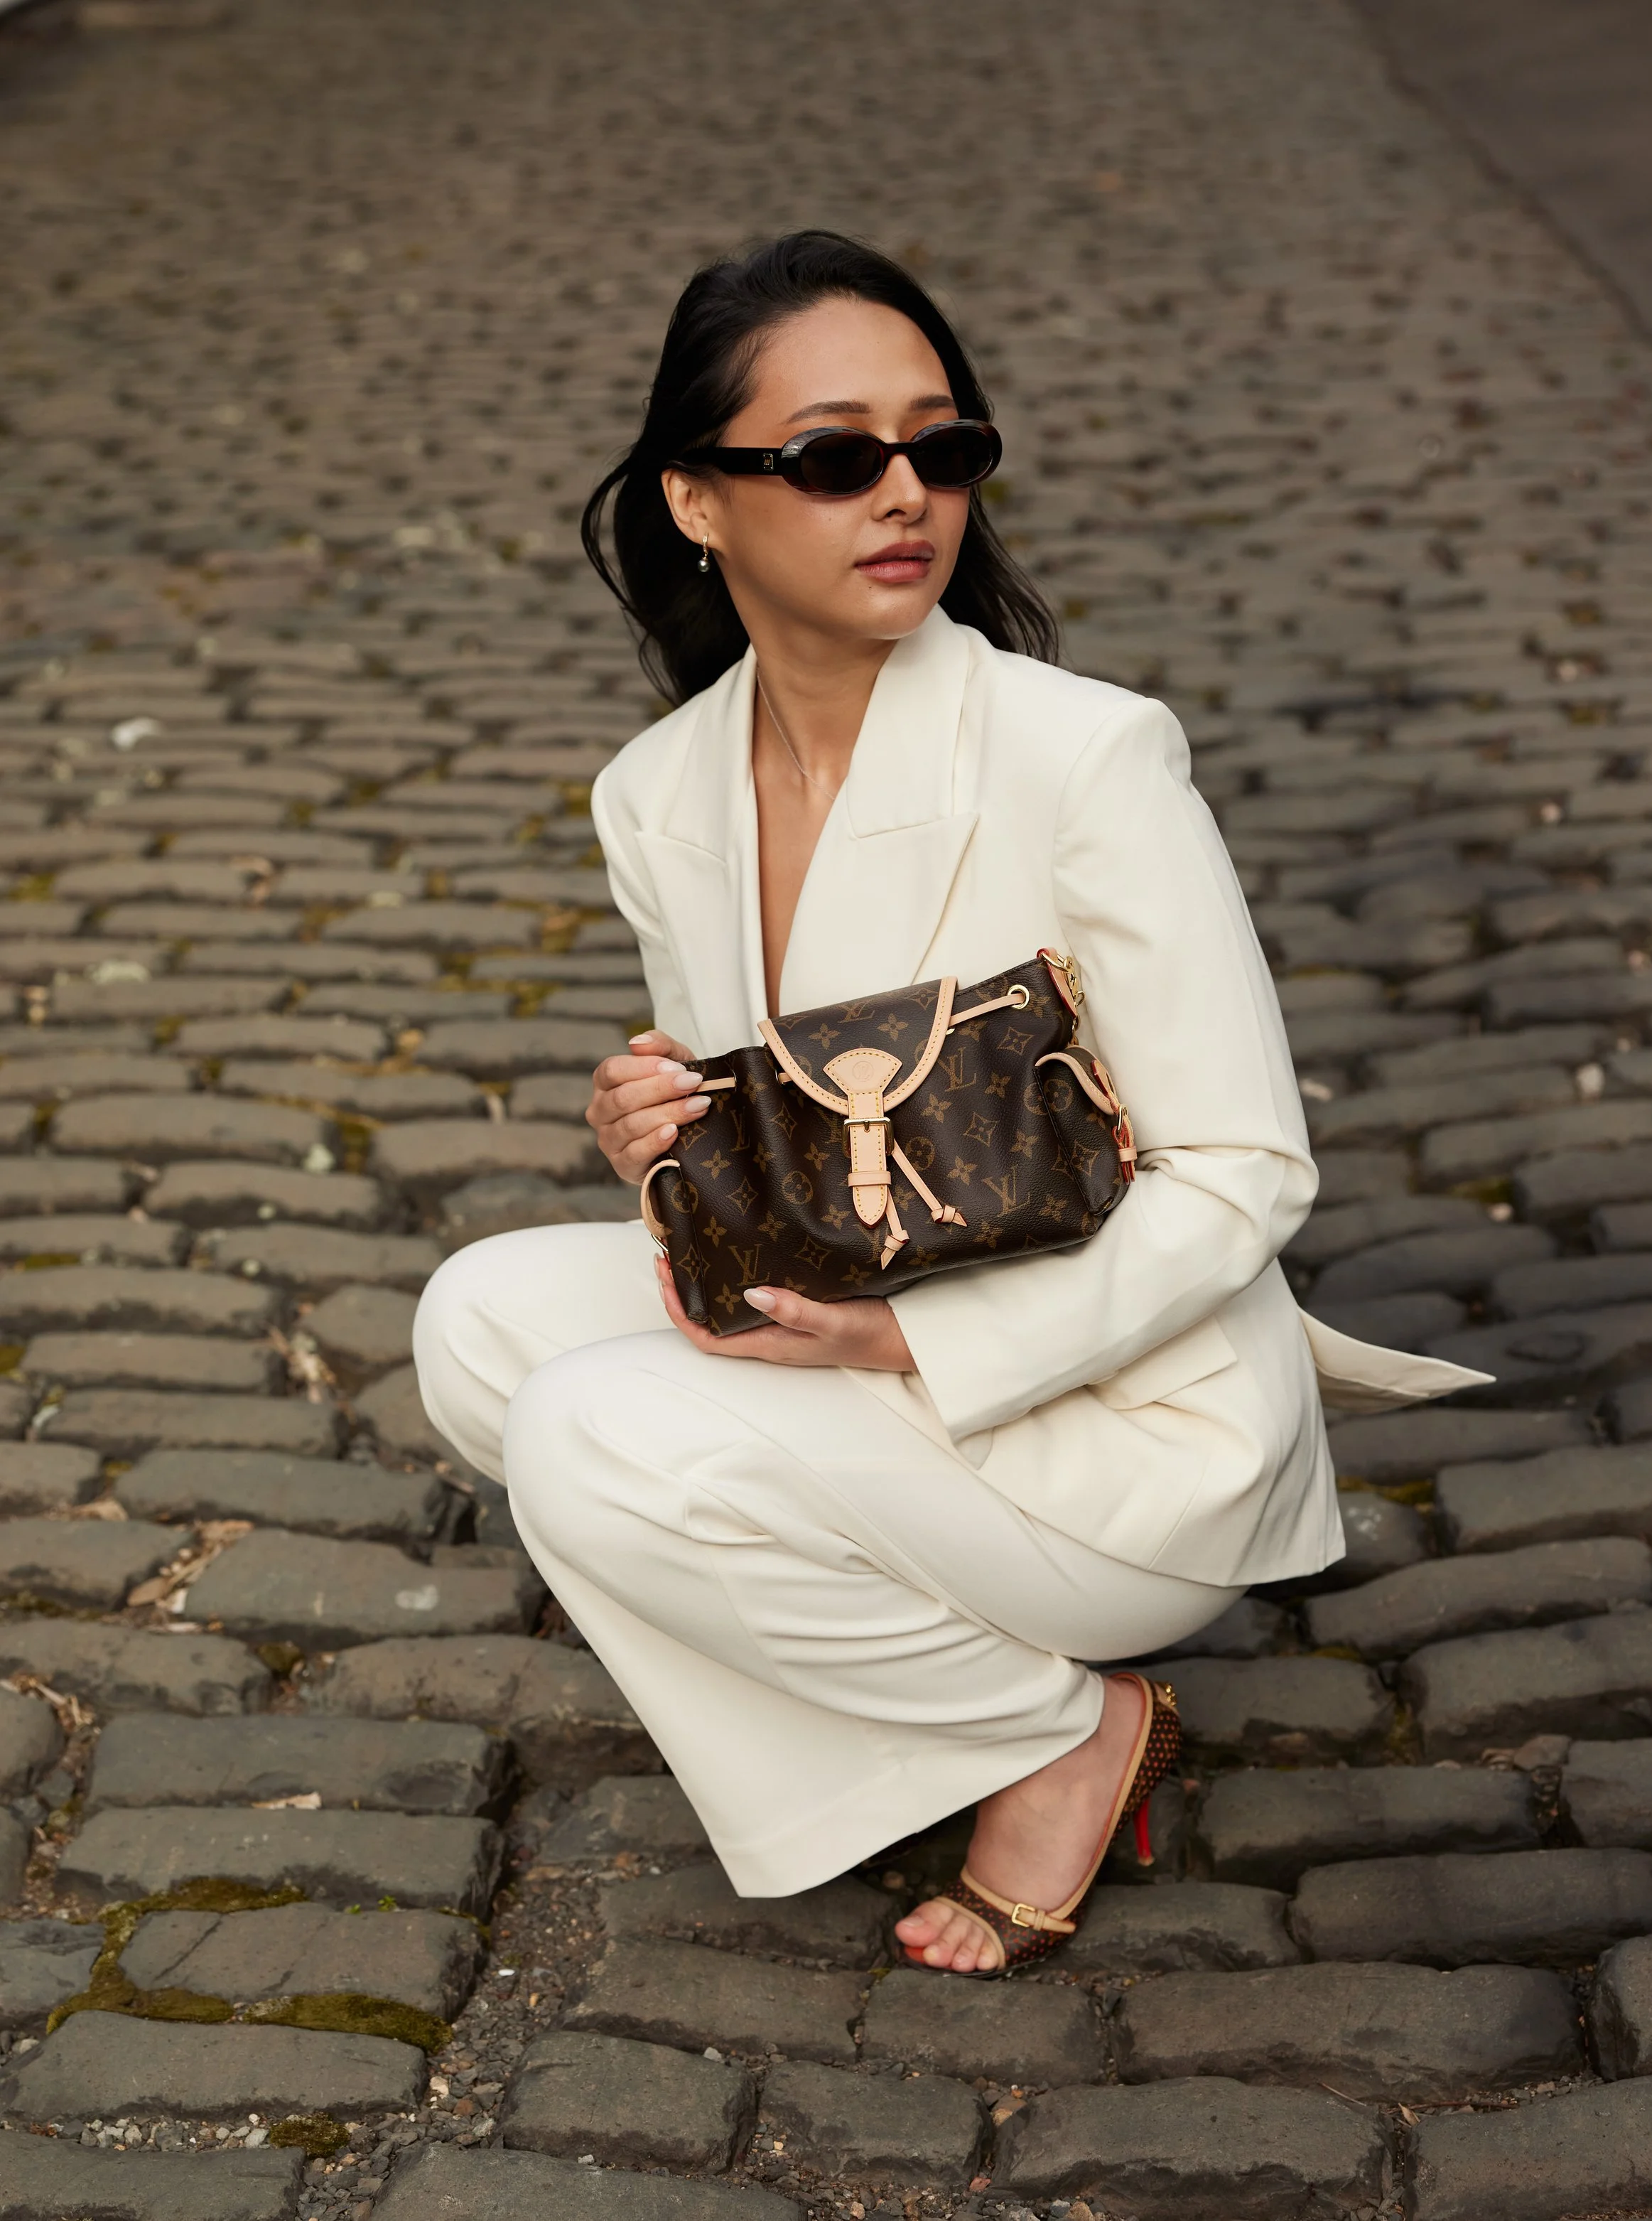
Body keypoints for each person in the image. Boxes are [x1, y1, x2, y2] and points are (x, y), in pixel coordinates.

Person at [414, 230, 1481, 1977]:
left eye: (944, 446)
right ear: (697, 499)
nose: (903, 493)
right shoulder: (658, 790)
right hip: (873, 1320)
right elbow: (806, 1145)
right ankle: (970, 1700)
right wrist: (664, 1142)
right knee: (475, 1323)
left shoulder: (1080, 752)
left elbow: (1243, 1168)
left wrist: (911, 1344)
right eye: (835, 456)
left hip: (1112, 1417)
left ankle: (1051, 1734)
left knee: (591, 1433)